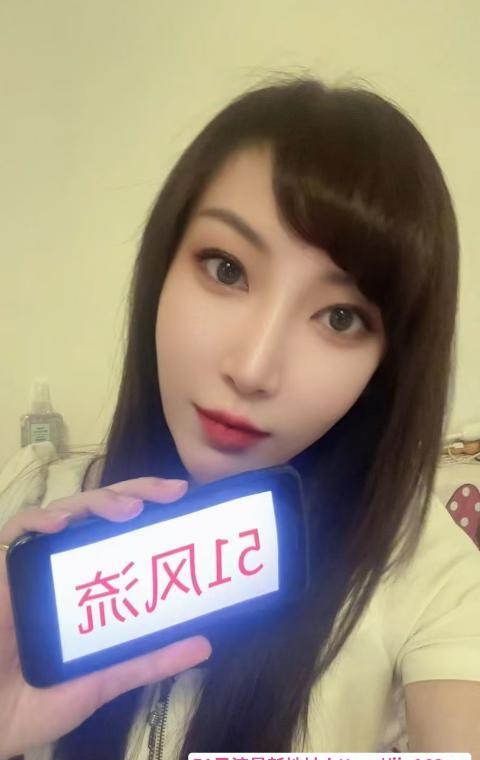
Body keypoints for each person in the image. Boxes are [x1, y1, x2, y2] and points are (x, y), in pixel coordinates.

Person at [1, 76, 479, 760]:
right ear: (161, 268)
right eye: (226, 269)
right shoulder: (33, 512)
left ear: (386, 364)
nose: (254, 369)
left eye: (340, 317)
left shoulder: (429, 572)